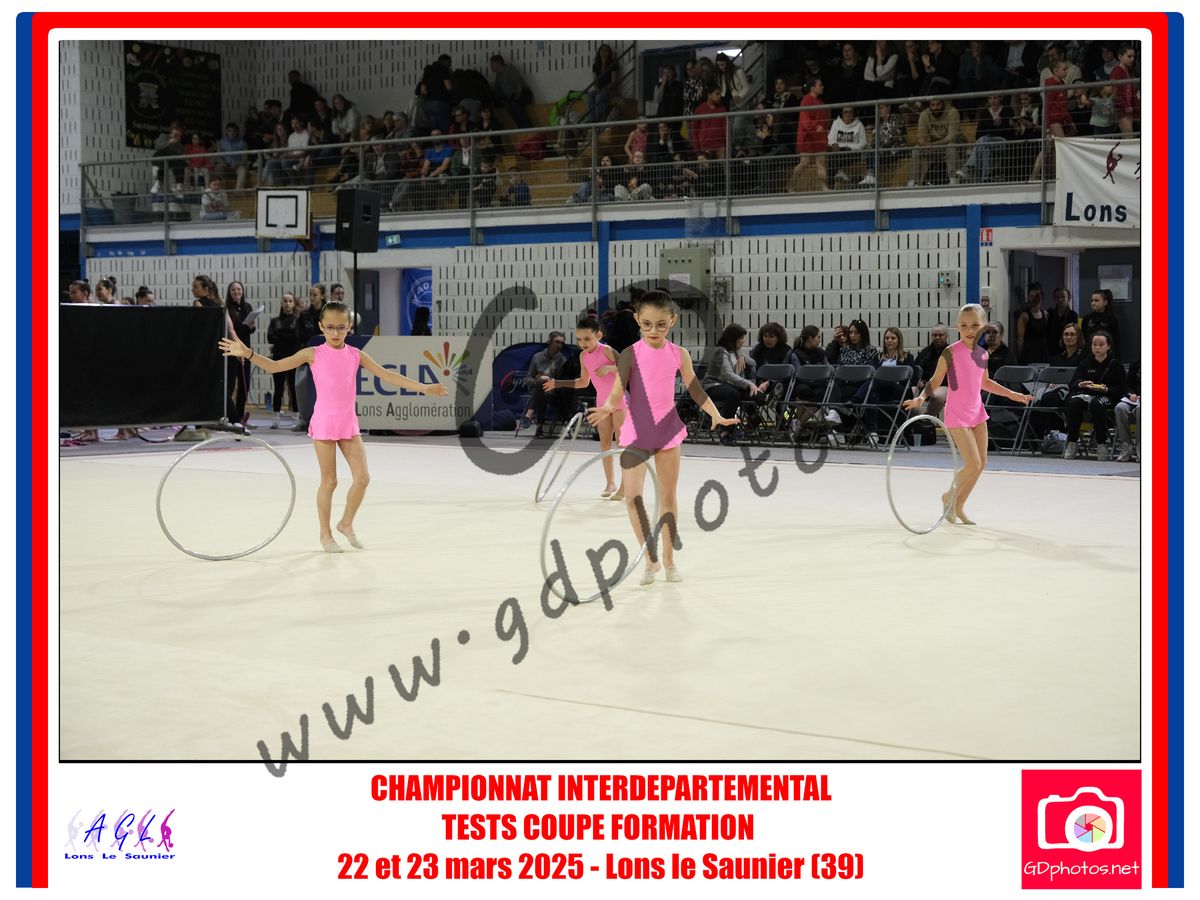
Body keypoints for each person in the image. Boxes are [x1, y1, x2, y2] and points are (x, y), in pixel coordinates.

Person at [219, 300, 448, 552]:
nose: (335, 333)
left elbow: (387, 375)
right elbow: (275, 366)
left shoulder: (356, 355)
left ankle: (345, 523)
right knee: (329, 482)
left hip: (348, 423)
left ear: (349, 326)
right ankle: (325, 534)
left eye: (341, 327)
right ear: (321, 326)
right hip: (325, 423)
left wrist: (424, 387)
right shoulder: (312, 353)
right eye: (330, 327)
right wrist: (248, 353)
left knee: (362, 478)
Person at [587, 290, 739, 585]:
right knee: (633, 498)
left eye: (661, 324)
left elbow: (695, 389)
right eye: (646, 324)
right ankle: (651, 559)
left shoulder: (678, 354)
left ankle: (669, 561)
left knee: (668, 497)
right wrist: (607, 406)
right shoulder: (630, 353)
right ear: (637, 320)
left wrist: (716, 414)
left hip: (667, 430)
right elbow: (618, 389)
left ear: (672, 321)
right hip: (636, 430)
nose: (653, 330)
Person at [903, 304, 1032, 524]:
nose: (969, 330)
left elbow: (985, 382)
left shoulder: (982, 354)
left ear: (983, 326)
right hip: (957, 413)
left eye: (974, 325)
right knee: (972, 463)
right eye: (964, 325)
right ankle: (948, 496)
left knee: (981, 464)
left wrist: (1012, 394)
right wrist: (921, 398)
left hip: (977, 412)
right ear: (957, 327)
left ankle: (958, 505)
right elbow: (935, 380)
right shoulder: (950, 352)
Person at [543, 316, 628, 498]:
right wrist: (558, 383)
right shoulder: (583, 356)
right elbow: (583, 381)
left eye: (587, 339)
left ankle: (625, 485)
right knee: (605, 442)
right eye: (579, 340)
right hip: (601, 401)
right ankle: (610, 483)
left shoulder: (607, 351)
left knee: (622, 443)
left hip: (618, 400)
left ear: (599, 335)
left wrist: (609, 369)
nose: (583, 343)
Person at [1062, 331, 1126, 460]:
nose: (1097, 348)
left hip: (1108, 396)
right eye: (1094, 344)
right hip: (1087, 394)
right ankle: (1072, 441)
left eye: (1101, 344)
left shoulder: (1116, 365)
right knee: (1075, 403)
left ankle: (1101, 443)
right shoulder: (1085, 363)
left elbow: (1121, 389)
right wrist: (1081, 384)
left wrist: (1106, 389)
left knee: (1097, 404)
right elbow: (1073, 383)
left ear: (1108, 346)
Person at [702, 324, 766, 445]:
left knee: (742, 391)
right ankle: (725, 431)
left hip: (727, 385)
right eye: (740, 338)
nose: (743, 341)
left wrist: (741, 355)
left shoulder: (735, 352)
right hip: (712, 386)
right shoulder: (720, 352)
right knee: (734, 393)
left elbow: (753, 363)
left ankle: (765, 399)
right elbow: (729, 375)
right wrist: (749, 383)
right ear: (733, 339)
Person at [525, 331, 572, 438]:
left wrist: (550, 379)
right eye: (557, 342)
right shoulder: (537, 357)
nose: (559, 345)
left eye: (562, 343)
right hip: (539, 389)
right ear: (550, 342)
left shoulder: (563, 361)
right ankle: (539, 429)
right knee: (541, 389)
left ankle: (530, 413)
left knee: (543, 387)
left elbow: (563, 381)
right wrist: (535, 381)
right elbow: (528, 378)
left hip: (554, 391)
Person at [267, 291, 302, 428]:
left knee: (293, 388)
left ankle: (296, 415)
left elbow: (296, 339)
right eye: (285, 301)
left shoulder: (297, 321)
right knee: (278, 387)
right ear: (281, 303)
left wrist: (281, 335)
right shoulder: (275, 321)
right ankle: (276, 416)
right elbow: (270, 338)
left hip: (293, 358)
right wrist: (287, 335)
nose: (287, 304)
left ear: (294, 304)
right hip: (278, 358)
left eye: (290, 301)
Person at [793, 78, 830, 190]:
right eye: (820, 85)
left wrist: (824, 133)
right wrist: (815, 126)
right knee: (804, 162)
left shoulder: (820, 102)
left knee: (821, 163)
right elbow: (805, 119)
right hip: (808, 138)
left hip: (819, 138)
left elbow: (824, 121)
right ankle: (791, 185)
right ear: (812, 88)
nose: (822, 87)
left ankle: (824, 187)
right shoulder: (806, 100)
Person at [913, 324, 950, 420]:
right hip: (925, 385)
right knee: (909, 392)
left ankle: (927, 419)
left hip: (945, 385)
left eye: (940, 335)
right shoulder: (925, 352)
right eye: (935, 335)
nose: (937, 337)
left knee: (937, 396)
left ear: (946, 336)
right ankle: (917, 420)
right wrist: (919, 381)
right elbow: (915, 369)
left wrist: (933, 383)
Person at [1015, 282, 1051, 364]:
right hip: (1029, 353)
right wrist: (1021, 356)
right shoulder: (1025, 316)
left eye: (1037, 296)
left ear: (1041, 297)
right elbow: (1020, 340)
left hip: (1043, 352)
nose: (1034, 299)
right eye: (1031, 296)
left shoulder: (1045, 314)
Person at [1113, 359, 1140, 462]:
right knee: (1120, 407)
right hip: (1134, 399)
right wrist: (1130, 394)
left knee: (1141, 409)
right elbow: (1128, 385)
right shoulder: (1135, 364)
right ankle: (1126, 444)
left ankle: (1140, 444)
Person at [1081, 288, 1121, 358]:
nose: (1093, 303)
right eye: (1092, 301)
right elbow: (1084, 337)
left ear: (1105, 302)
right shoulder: (1087, 318)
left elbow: (1115, 340)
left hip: (1107, 355)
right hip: (1089, 354)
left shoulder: (1111, 319)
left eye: (1096, 300)